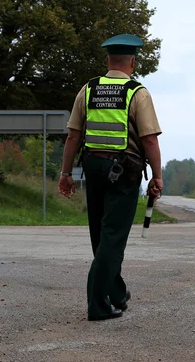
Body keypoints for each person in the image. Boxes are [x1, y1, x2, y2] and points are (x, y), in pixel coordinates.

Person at [58, 34, 163, 321]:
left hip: (92, 168)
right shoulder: (137, 92)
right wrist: (157, 176)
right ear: (132, 61)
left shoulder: (89, 89)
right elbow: (150, 141)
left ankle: (116, 293)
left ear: (107, 61)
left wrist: (66, 173)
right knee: (113, 238)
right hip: (125, 172)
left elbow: (73, 136)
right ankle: (98, 304)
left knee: (101, 236)